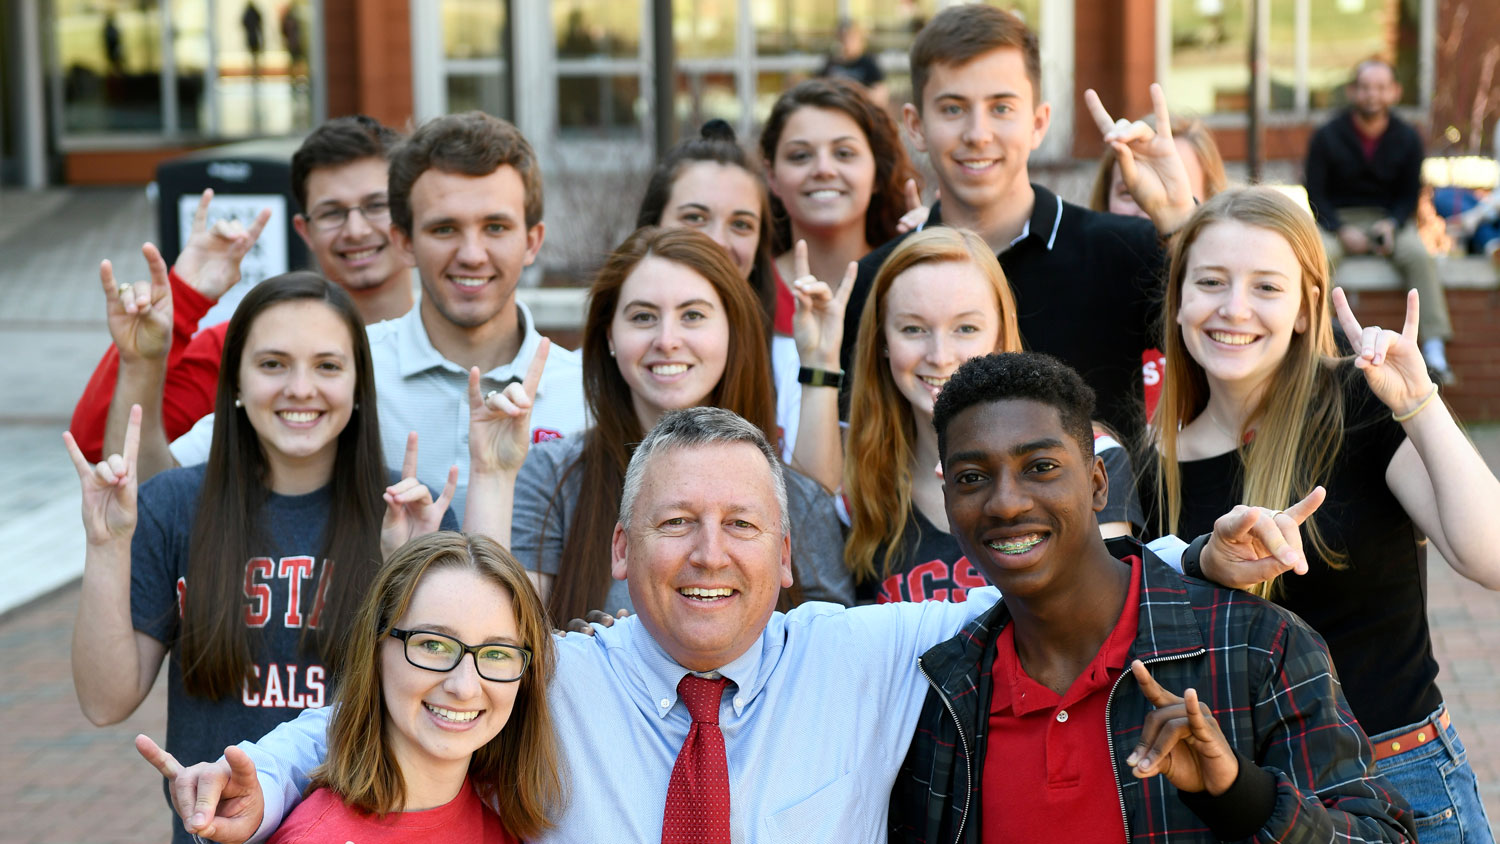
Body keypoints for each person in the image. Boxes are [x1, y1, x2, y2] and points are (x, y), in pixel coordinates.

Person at [139, 406, 1317, 844]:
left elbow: (1035, 581)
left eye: (742, 526)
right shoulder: (556, 672)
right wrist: (265, 778)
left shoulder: (868, 652)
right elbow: (398, 702)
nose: (710, 556)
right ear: (617, 551)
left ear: (789, 551)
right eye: (677, 524)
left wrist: (1194, 553)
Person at [888, 350, 1415, 843]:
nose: (1005, 503)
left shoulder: (1257, 645)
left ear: (1098, 484)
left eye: (1040, 467)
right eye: (972, 477)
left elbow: (1383, 834)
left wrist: (1241, 795)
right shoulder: (944, 691)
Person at [1145, 186, 1500, 840]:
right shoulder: (1149, 468)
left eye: (1267, 288)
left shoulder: (1360, 406)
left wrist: (1419, 402)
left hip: (1403, 781)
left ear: (1308, 308)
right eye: (1212, 282)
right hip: (1239, 800)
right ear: (1179, 300)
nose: (1234, 309)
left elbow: (1491, 558)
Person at [65, 273, 457, 844]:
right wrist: (105, 547)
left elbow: (442, 707)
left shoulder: (408, 519)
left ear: (358, 386)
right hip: (214, 832)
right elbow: (105, 701)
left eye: (327, 366)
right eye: (273, 364)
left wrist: (411, 566)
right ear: (238, 383)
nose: (301, 388)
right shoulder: (173, 506)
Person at [166, 112, 588, 516]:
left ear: (533, 241)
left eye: (496, 227)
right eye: (444, 229)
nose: (472, 255)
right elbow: (157, 483)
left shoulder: (589, 394)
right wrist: (142, 355)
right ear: (403, 241)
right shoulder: (336, 371)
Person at [841, 4, 1200, 439]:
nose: (978, 133)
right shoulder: (875, 281)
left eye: (1001, 108)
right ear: (916, 126)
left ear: (1038, 122)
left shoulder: (1124, 253)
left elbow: (1228, 349)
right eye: (953, 109)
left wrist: (1179, 217)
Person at [472, 226, 850, 620]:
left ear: (731, 331)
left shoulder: (796, 499)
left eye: (692, 315)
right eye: (643, 317)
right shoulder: (553, 477)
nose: (667, 339)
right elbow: (497, 637)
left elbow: (833, 656)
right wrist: (491, 475)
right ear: (610, 337)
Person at [793, 228, 1142, 603]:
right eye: (913, 328)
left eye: (965, 328)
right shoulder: (858, 482)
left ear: (999, 332)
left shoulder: (1079, 453)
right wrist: (819, 362)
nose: (940, 355)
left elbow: (1105, 613)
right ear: (883, 341)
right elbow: (808, 518)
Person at [69, 115, 412, 465]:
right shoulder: (248, 346)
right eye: (331, 213)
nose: (355, 230)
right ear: (304, 230)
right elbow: (101, 449)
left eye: (376, 206)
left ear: (409, 216)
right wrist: (185, 297)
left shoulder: (450, 336)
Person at [250, 531, 557, 843]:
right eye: (434, 645)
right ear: (376, 650)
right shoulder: (316, 837)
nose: (465, 687)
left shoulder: (511, 830)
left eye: (496, 654)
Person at [1305, 58, 1454, 382]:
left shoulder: (1407, 138)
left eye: (1381, 88)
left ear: (1394, 92)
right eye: (1365, 87)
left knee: (1418, 256)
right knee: (1316, 258)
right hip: (1338, 220)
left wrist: (1392, 224)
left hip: (1388, 221)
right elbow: (1315, 192)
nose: (1372, 95)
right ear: (1352, 91)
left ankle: (1434, 351)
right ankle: (1314, 347)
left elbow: (1409, 195)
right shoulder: (1326, 136)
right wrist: (1340, 230)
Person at [1090, 112, 1228, 418]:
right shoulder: (1079, 296)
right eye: (1129, 189)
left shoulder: (1235, 310)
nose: (1149, 202)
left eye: (1171, 186)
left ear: (1212, 201)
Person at [818, 19, 888, 109]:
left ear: (859, 39)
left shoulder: (868, 63)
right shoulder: (831, 63)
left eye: (850, 38)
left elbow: (880, 94)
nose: (846, 42)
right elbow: (818, 88)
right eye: (842, 38)